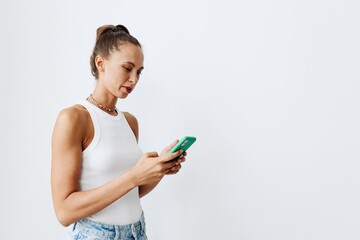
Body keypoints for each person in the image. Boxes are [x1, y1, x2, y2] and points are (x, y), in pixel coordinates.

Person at [51, 24, 186, 240]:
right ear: (101, 62)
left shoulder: (130, 122)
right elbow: (64, 212)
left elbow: (130, 193)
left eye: (139, 72)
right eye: (127, 68)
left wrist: (158, 169)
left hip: (137, 232)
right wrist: (134, 176)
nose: (134, 79)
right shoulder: (74, 118)